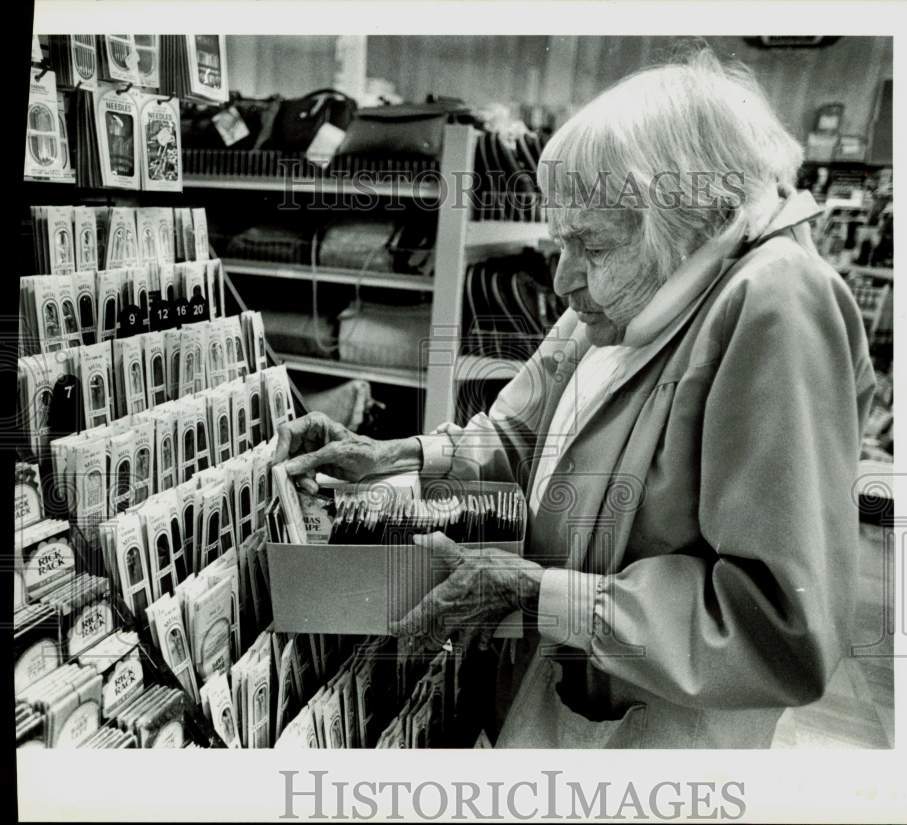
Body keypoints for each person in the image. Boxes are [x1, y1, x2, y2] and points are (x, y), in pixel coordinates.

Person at [273, 50, 875, 749]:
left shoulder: (777, 304)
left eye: (588, 245)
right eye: (560, 242)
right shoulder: (632, 288)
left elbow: (782, 625)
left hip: (651, 746)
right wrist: (397, 453)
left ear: (690, 222)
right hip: (555, 698)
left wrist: (540, 595)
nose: (561, 279)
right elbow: (525, 432)